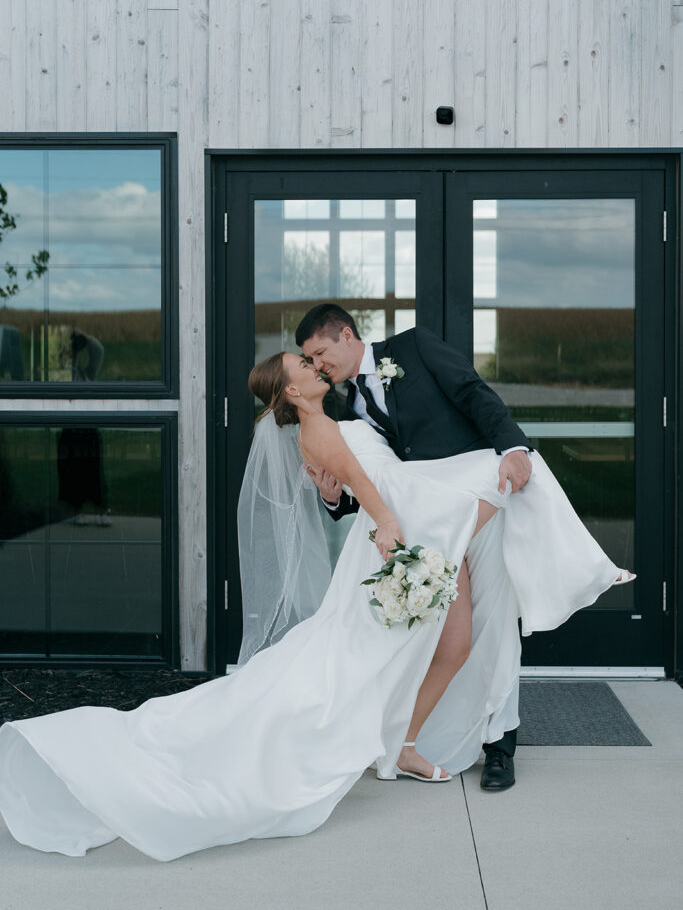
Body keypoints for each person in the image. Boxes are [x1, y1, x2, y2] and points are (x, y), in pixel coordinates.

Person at [0, 348, 632, 862]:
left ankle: (402, 747)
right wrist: (457, 516)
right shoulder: (324, 429)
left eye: (311, 356)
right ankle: (358, 745)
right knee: (334, 674)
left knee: (380, 657)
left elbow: (379, 485)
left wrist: (454, 511)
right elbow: (374, 499)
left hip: (406, 538)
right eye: (302, 365)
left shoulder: (326, 424)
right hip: (395, 545)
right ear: (293, 391)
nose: (313, 366)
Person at [296, 304, 533, 790]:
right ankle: (431, 735)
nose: (318, 365)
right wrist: (329, 496)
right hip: (425, 528)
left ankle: (500, 749)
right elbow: (363, 486)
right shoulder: (340, 408)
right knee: (451, 637)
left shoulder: (414, 346)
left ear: (345, 335)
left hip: (476, 505)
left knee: (497, 626)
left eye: (320, 352)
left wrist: (512, 447)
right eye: (310, 360)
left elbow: (472, 393)